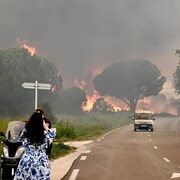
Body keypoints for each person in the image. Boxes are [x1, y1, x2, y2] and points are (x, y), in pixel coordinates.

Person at [13, 112, 56, 180]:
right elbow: (52, 136)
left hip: (27, 160)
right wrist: (45, 126)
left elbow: (20, 139)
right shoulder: (46, 134)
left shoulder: (26, 132)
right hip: (41, 162)